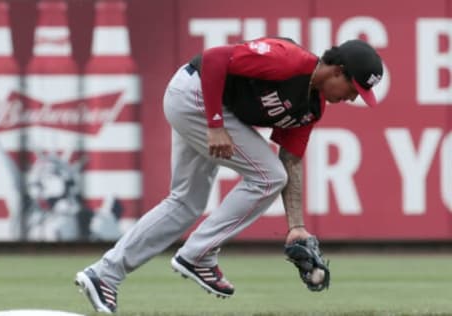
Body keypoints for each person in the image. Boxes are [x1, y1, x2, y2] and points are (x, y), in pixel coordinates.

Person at [75, 37, 383, 313]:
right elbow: (214, 58)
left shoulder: (311, 108)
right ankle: (198, 255)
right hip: (195, 93)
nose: (354, 98)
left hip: (205, 105)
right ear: (337, 71)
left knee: (186, 203)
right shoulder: (289, 60)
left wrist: (296, 227)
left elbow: (291, 159)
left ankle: (103, 275)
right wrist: (215, 123)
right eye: (354, 89)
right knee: (267, 177)